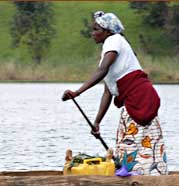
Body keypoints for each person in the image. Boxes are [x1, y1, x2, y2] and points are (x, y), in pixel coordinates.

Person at [61, 11, 167, 176]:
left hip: (139, 98)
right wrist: (97, 123)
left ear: (107, 31)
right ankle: (140, 175)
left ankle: (139, 177)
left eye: (96, 29)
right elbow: (107, 92)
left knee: (132, 140)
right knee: (134, 140)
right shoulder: (110, 47)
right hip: (138, 99)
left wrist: (77, 92)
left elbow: (102, 71)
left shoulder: (114, 40)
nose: (93, 33)